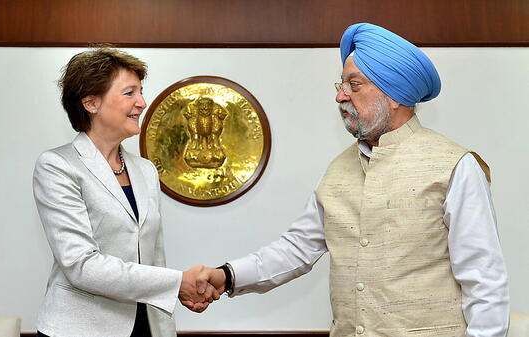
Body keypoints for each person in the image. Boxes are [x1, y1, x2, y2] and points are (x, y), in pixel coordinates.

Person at [195, 23, 510, 337]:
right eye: (341, 84)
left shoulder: (455, 166)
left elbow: (485, 281)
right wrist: (227, 276)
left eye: (354, 85)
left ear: (395, 95)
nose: (340, 96)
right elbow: (296, 249)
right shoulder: (339, 169)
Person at [33, 48, 219, 337]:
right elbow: (82, 266)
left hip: (147, 324)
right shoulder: (57, 166)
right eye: (129, 93)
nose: (142, 103)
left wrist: (178, 292)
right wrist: (176, 282)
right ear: (91, 102)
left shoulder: (145, 169)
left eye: (141, 92)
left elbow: (154, 257)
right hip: (80, 329)